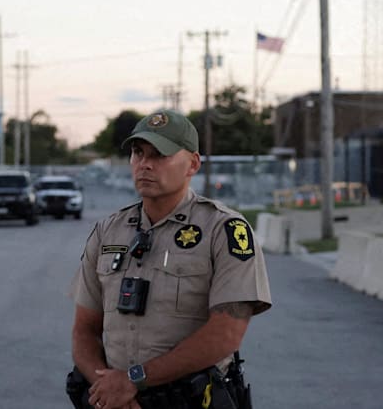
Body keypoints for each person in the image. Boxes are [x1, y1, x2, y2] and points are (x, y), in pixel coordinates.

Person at [69, 109, 272, 409]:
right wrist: (108, 389)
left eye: (159, 155)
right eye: (138, 153)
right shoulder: (108, 231)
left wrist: (133, 380)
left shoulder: (224, 230)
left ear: (193, 164)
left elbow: (226, 334)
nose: (145, 164)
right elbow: (84, 329)